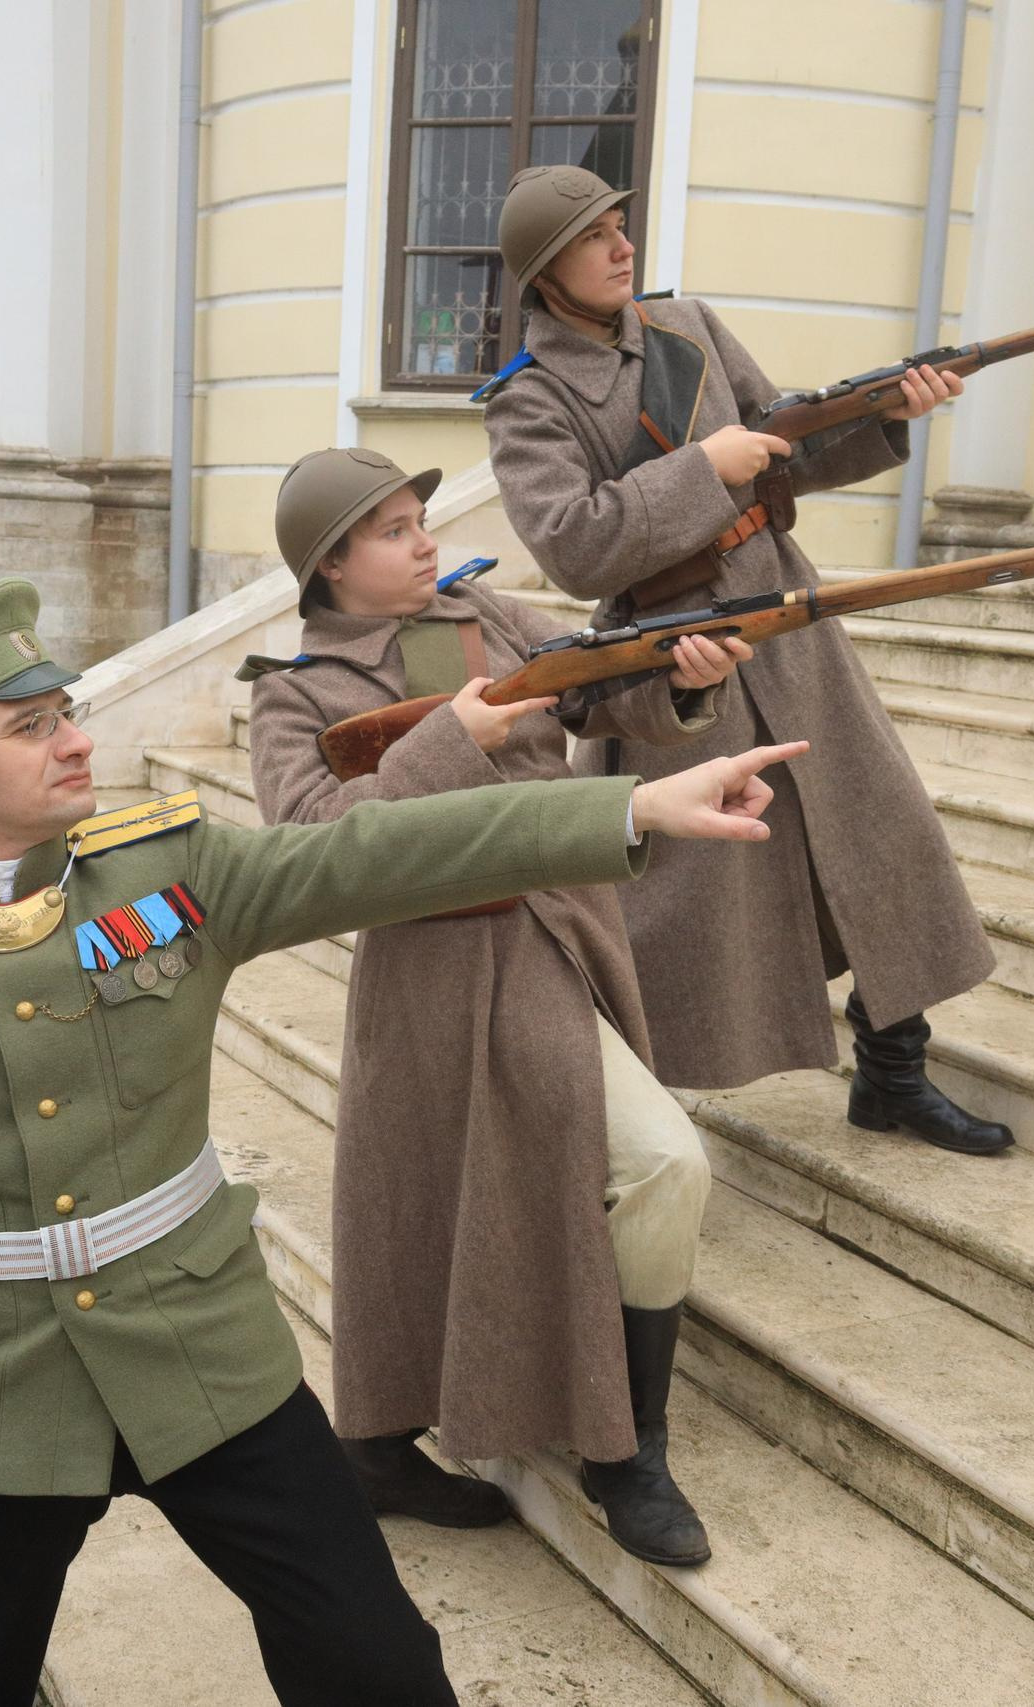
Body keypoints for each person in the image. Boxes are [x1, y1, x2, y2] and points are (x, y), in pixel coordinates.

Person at [0, 576, 807, 1705]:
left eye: (65, 713)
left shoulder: (175, 868)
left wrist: (630, 813)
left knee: (378, 1663)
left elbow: (382, 852)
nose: (75, 742)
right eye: (32, 728)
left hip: (202, 1348)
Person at [244, 446, 749, 1566]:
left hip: (556, 929)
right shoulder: (291, 689)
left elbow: (611, 692)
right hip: (432, 969)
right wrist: (444, 743)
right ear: (329, 566)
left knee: (653, 1163)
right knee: (427, 1209)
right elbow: (303, 851)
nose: (423, 538)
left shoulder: (494, 614)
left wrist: (686, 679)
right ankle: (378, 1445)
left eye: (418, 516)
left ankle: (627, 1449)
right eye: (389, 528)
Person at [478, 162, 1014, 1155]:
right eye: (596, 236)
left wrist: (888, 412)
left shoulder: (688, 327)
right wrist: (700, 471)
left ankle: (893, 1074)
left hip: (785, 611)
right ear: (545, 271)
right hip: (672, 651)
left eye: (622, 227)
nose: (622, 246)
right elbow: (575, 543)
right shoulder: (530, 400)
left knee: (871, 829)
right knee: (683, 902)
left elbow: (789, 446)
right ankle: (619, 1127)